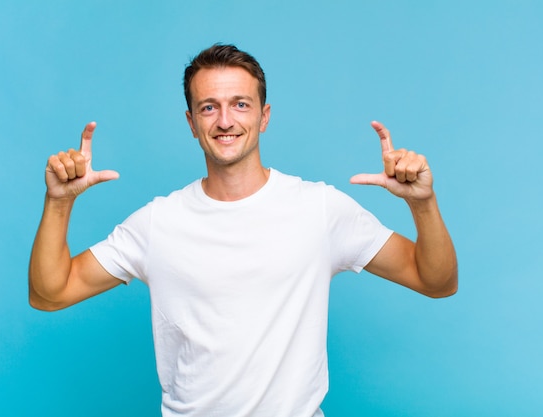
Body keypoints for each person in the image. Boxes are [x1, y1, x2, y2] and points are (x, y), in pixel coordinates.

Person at [29, 44, 457, 417]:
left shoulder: (319, 209)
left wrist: (422, 204)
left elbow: (436, 281)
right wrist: (59, 202)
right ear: (192, 123)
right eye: (208, 107)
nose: (225, 120)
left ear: (264, 116)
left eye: (241, 104)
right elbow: (49, 294)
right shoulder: (158, 223)